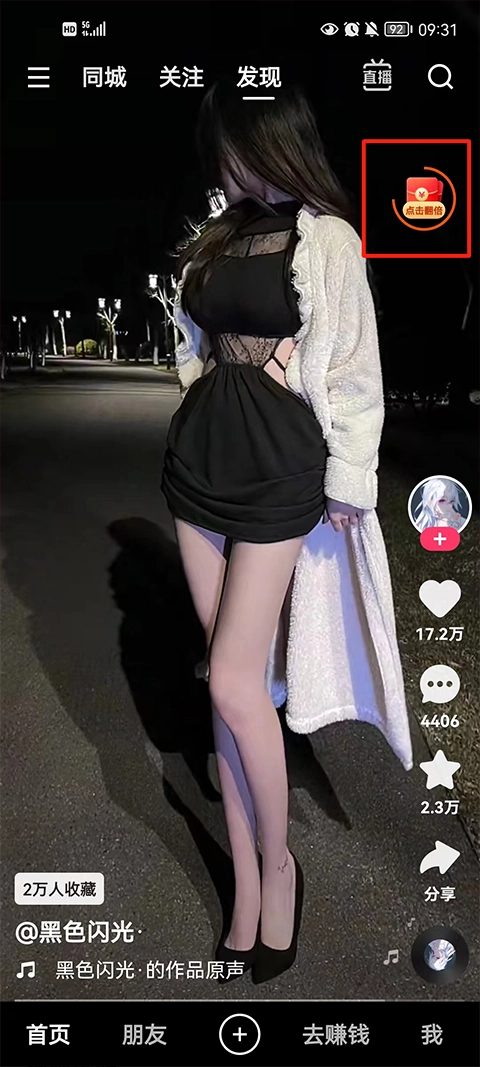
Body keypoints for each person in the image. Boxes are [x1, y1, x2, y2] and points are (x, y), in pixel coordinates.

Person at [161, 81, 413, 985]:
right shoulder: (215, 234)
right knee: (229, 690)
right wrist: (204, 378)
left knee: (236, 679)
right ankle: (245, 882)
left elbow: (354, 370)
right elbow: (190, 337)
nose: (227, 164)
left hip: (278, 470)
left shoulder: (328, 237)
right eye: (221, 151)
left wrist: (349, 475)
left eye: (239, 147)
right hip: (199, 464)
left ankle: (279, 870)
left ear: (276, 141)